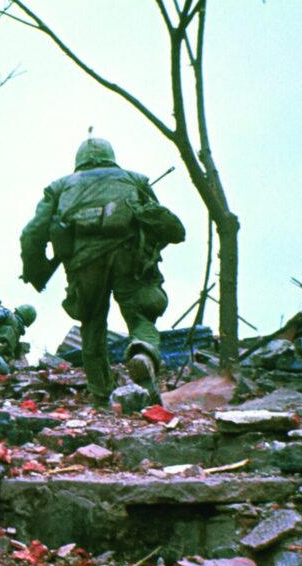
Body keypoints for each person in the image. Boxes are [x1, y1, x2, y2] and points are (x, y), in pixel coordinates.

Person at [20, 137, 185, 406]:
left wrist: (35, 270)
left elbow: (32, 234)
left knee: (92, 325)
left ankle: (102, 395)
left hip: (84, 264)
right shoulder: (135, 180)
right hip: (129, 256)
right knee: (140, 314)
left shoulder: (59, 187)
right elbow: (157, 220)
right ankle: (143, 352)